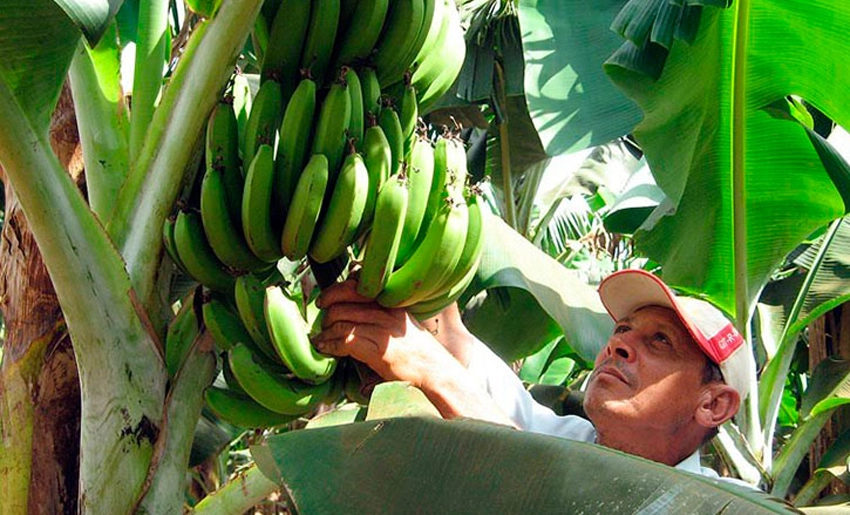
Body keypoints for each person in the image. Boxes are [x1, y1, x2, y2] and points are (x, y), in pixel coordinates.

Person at [311, 269, 756, 484]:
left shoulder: (718, 504)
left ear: (713, 404)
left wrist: (431, 371)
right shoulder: (565, 436)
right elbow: (455, 345)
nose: (617, 345)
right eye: (622, 330)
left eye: (660, 342)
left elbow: (545, 488)